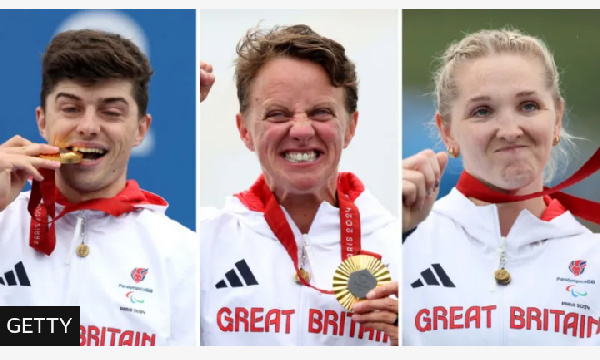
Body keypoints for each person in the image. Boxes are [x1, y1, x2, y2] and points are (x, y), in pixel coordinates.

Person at [199, 24, 399, 346]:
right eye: (277, 114)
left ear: (350, 127)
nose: (302, 130)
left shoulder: (402, 247)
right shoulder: (202, 243)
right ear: (245, 130)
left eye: (321, 112)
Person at [402, 28, 600, 345]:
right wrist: (388, 238)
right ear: (448, 132)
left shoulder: (593, 260)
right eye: (483, 111)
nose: (509, 130)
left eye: (529, 106)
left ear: (558, 119)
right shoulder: (402, 243)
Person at [0, 29, 196, 346]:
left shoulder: (183, 255)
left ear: (140, 130)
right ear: (42, 121)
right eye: (71, 108)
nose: (89, 127)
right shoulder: (3, 221)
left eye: (111, 112)